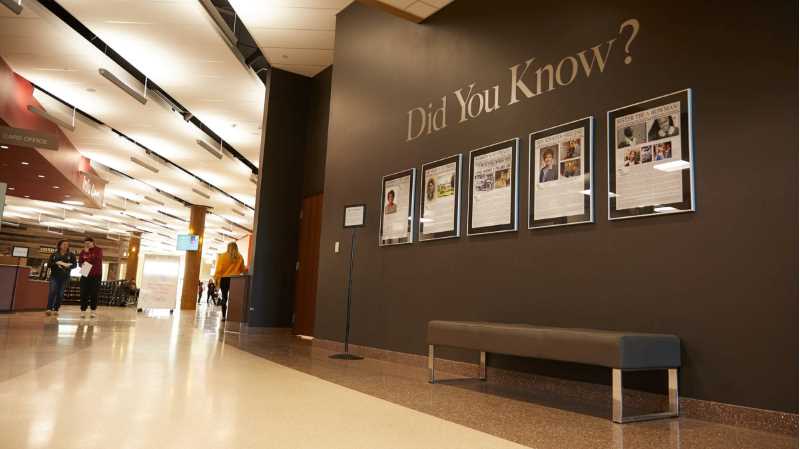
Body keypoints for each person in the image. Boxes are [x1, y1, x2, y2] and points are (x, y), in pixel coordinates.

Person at [214, 243, 247, 321]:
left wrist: (216, 280)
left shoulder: (222, 256)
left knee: (224, 297)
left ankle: (223, 316)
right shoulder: (240, 257)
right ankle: (234, 316)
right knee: (234, 298)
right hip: (235, 279)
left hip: (224, 279)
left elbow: (219, 270)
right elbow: (243, 269)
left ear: (228, 247)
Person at [46, 239, 76, 316]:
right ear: (60, 245)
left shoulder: (71, 255)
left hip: (65, 277)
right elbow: (49, 264)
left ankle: (56, 309)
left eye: (67, 245)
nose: (66, 246)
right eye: (64, 244)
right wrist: (56, 263)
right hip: (54, 276)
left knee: (60, 294)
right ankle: (49, 308)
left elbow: (75, 265)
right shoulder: (54, 254)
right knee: (52, 291)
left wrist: (68, 266)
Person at [78, 237, 103, 319]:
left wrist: (87, 253)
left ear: (93, 243)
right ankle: (83, 310)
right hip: (85, 271)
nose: (87, 245)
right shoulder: (83, 251)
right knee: (83, 293)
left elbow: (94, 259)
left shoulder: (98, 250)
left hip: (96, 274)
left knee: (94, 293)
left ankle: (93, 310)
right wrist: (82, 264)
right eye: (85, 243)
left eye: (88, 243)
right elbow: (80, 262)